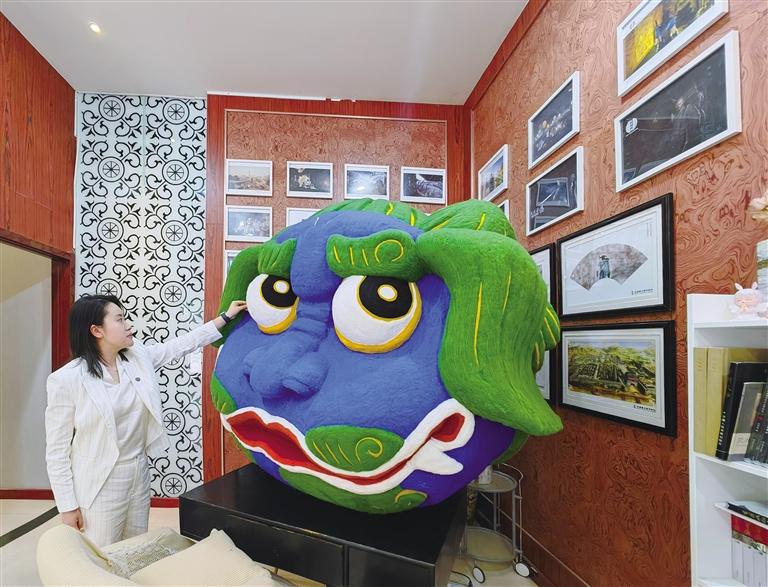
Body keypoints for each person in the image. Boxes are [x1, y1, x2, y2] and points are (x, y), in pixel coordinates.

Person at [45, 294, 247, 547]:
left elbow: (180, 345)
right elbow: (56, 451)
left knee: (136, 547)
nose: (129, 325)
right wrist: (67, 506)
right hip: (99, 481)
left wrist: (225, 318)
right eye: (120, 319)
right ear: (97, 330)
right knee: (102, 552)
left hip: (138, 472)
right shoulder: (66, 379)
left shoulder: (136, 357)